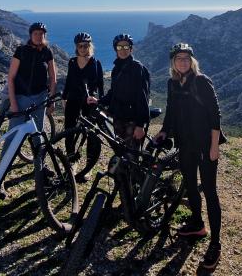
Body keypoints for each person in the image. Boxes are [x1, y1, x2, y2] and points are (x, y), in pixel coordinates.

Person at [155, 43, 224, 273]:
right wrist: (164, 131)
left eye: (186, 58)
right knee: (190, 187)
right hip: (185, 145)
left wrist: (215, 146)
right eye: (178, 58)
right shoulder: (172, 83)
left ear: (192, 61)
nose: (182, 61)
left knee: (210, 191)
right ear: (173, 62)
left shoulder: (201, 81)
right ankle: (197, 224)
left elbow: (215, 116)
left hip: (205, 146)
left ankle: (215, 243)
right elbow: (171, 111)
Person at [90, 33, 150, 149]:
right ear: (115, 49)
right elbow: (113, 92)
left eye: (126, 46)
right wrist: (99, 101)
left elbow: (143, 97)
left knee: (131, 155)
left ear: (131, 49)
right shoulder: (116, 69)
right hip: (119, 117)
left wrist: (140, 125)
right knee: (121, 150)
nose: (123, 50)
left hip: (132, 119)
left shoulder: (137, 68)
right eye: (119, 47)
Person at [62, 32, 104, 181]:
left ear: (90, 46)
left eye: (86, 45)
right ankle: (71, 162)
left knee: (90, 133)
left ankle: (88, 166)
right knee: (69, 131)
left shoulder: (96, 63)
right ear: (76, 47)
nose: (83, 48)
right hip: (73, 99)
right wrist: (64, 97)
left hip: (89, 102)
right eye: (80, 46)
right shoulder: (72, 62)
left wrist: (100, 101)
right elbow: (68, 81)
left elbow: (100, 85)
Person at [7, 22, 56, 137]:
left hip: (40, 97)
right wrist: (13, 104)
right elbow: (11, 78)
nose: (39, 36)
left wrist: (51, 100)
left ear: (45, 36)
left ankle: (38, 155)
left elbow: (53, 77)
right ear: (30, 35)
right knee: (13, 133)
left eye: (41, 34)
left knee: (37, 133)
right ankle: (6, 155)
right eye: (36, 33)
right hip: (21, 98)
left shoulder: (47, 52)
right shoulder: (21, 51)